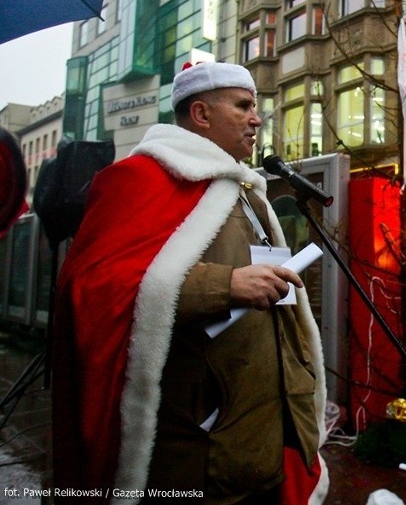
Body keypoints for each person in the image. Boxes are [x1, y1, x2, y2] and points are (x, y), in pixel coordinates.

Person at [51, 62, 328, 503]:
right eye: (243, 106)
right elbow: (91, 288)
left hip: (265, 450)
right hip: (195, 461)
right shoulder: (139, 178)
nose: (257, 118)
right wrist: (225, 285)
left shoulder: (248, 191)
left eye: (255, 107)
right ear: (200, 114)